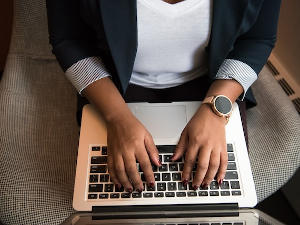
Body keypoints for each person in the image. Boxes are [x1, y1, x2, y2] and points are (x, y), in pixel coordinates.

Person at [46, 0, 282, 193]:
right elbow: (69, 40)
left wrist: (215, 109)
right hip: (113, 81)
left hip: (213, 79)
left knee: (212, 198)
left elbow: (258, 39)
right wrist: (117, 117)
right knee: (119, 197)